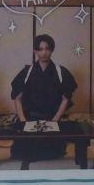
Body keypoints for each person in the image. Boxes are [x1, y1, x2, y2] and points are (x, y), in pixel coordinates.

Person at [9, 34, 78, 165]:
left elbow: (65, 99)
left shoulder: (60, 71)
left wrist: (55, 120)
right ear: (35, 51)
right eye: (40, 49)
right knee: (23, 149)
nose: (44, 52)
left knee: (51, 148)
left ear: (52, 50)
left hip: (51, 118)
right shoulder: (27, 71)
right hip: (30, 117)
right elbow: (17, 98)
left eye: (47, 49)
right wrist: (23, 120)